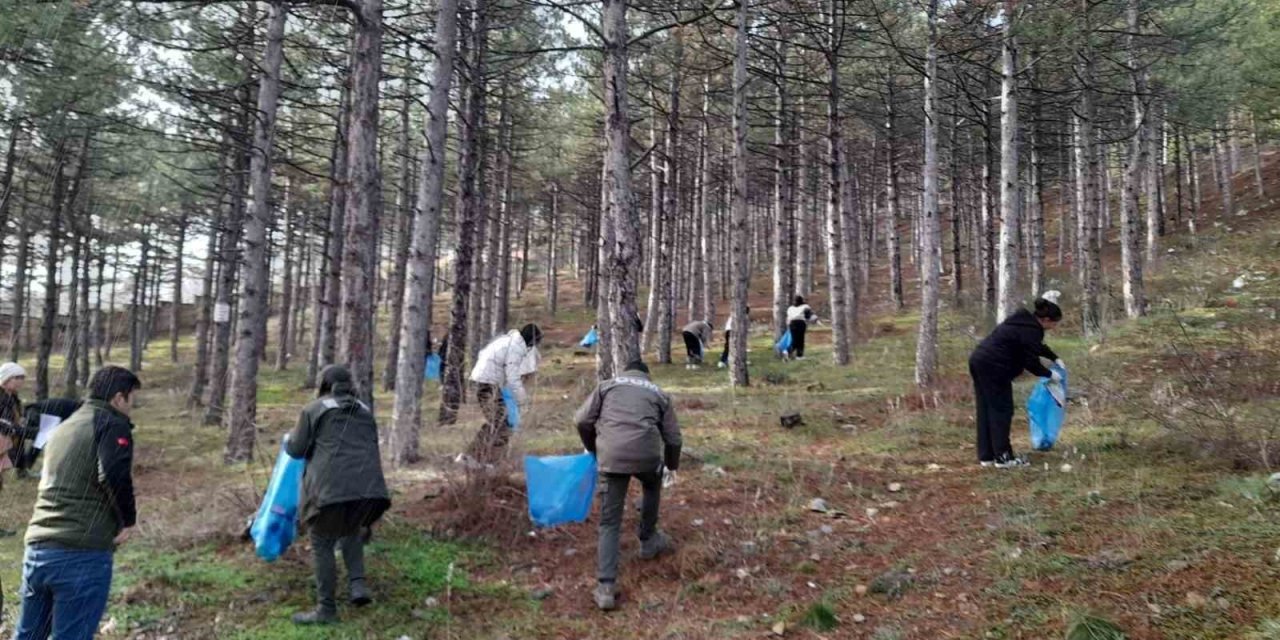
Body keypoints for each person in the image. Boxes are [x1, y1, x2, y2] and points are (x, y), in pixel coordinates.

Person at [15, 366, 141, 640]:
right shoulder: (110, 423)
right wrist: (128, 520)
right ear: (119, 398)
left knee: (28, 636)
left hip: (38, 549)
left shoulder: (65, 425)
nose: (133, 407)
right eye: (132, 400)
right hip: (80, 554)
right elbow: (113, 473)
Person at [286, 365, 391, 625]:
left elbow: (297, 450)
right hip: (371, 491)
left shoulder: (314, 409)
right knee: (351, 528)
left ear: (323, 385)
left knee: (322, 541)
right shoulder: (365, 410)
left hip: (329, 491)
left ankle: (326, 609)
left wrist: (287, 440)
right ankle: (358, 586)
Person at [574, 360, 681, 611]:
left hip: (611, 458)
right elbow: (674, 437)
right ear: (647, 375)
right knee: (652, 486)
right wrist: (671, 465)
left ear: (624, 372)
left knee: (610, 522)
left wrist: (594, 449)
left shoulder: (607, 386)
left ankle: (605, 588)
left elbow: (581, 420)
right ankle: (648, 539)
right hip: (647, 458)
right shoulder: (659, 393)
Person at [968, 295, 1065, 468]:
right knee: (1001, 410)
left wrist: (1054, 357)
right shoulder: (1032, 330)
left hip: (979, 360)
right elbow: (1030, 361)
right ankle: (1004, 458)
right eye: (1054, 323)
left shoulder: (1023, 322)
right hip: (994, 367)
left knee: (986, 408)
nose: (1054, 327)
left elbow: (1036, 347)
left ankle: (987, 456)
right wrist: (1049, 374)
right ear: (1046, 320)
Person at [467, 323, 542, 463]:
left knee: (498, 421)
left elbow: (483, 355)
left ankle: (478, 457)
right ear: (530, 341)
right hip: (486, 383)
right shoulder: (515, 348)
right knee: (501, 424)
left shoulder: (507, 340)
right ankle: (480, 458)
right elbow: (513, 378)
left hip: (484, 381)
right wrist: (523, 401)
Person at [11, 398, 84, 478]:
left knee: (38, 441)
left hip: (40, 413)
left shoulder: (73, 406)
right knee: (39, 440)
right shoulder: (79, 410)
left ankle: (24, 467)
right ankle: (25, 467)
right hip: (41, 414)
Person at [784, 296, 818, 360]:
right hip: (800, 323)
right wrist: (814, 319)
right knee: (800, 340)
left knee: (794, 339)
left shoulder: (790, 308)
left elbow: (788, 317)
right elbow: (808, 316)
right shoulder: (805, 306)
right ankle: (797, 355)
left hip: (792, 324)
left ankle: (790, 353)